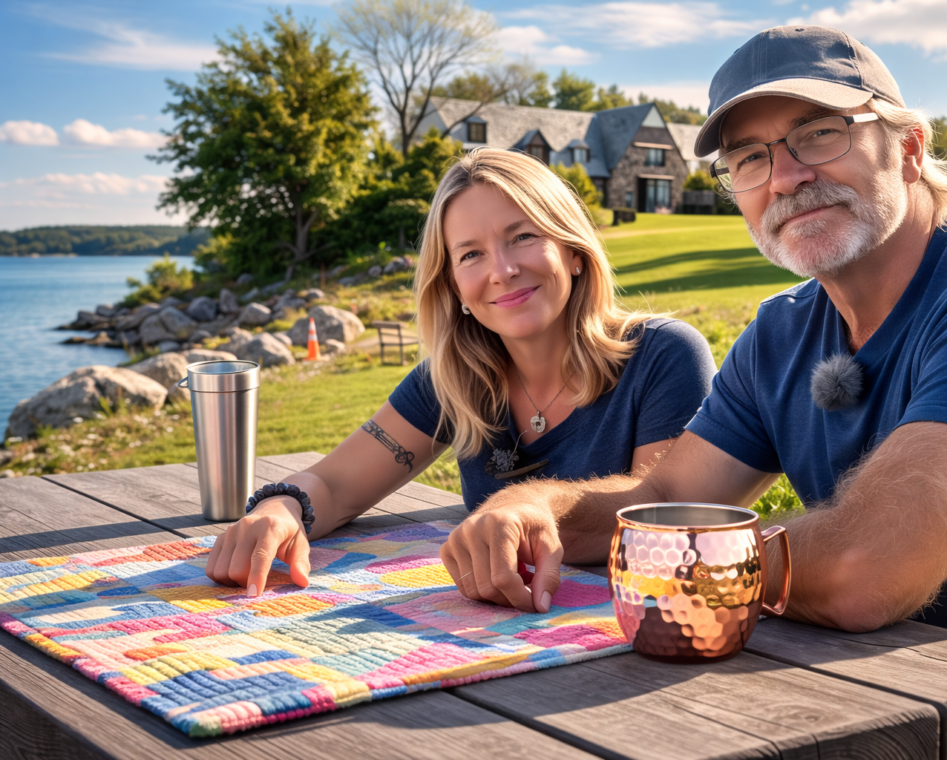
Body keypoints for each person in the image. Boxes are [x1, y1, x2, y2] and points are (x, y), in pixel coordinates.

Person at [441, 26, 947, 754]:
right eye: (749, 158)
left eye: (819, 133)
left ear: (908, 148)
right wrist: (532, 506)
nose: (785, 176)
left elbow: (862, 571)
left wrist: (671, 557)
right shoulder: (780, 334)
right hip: (883, 695)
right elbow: (658, 500)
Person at [204, 148, 716, 615]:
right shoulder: (452, 377)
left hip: (635, 637)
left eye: (523, 236)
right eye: (471, 254)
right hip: (481, 640)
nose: (503, 269)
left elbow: (664, 513)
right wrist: (281, 506)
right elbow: (335, 485)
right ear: (454, 286)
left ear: (574, 251)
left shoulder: (663, 354)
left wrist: (527, 508)